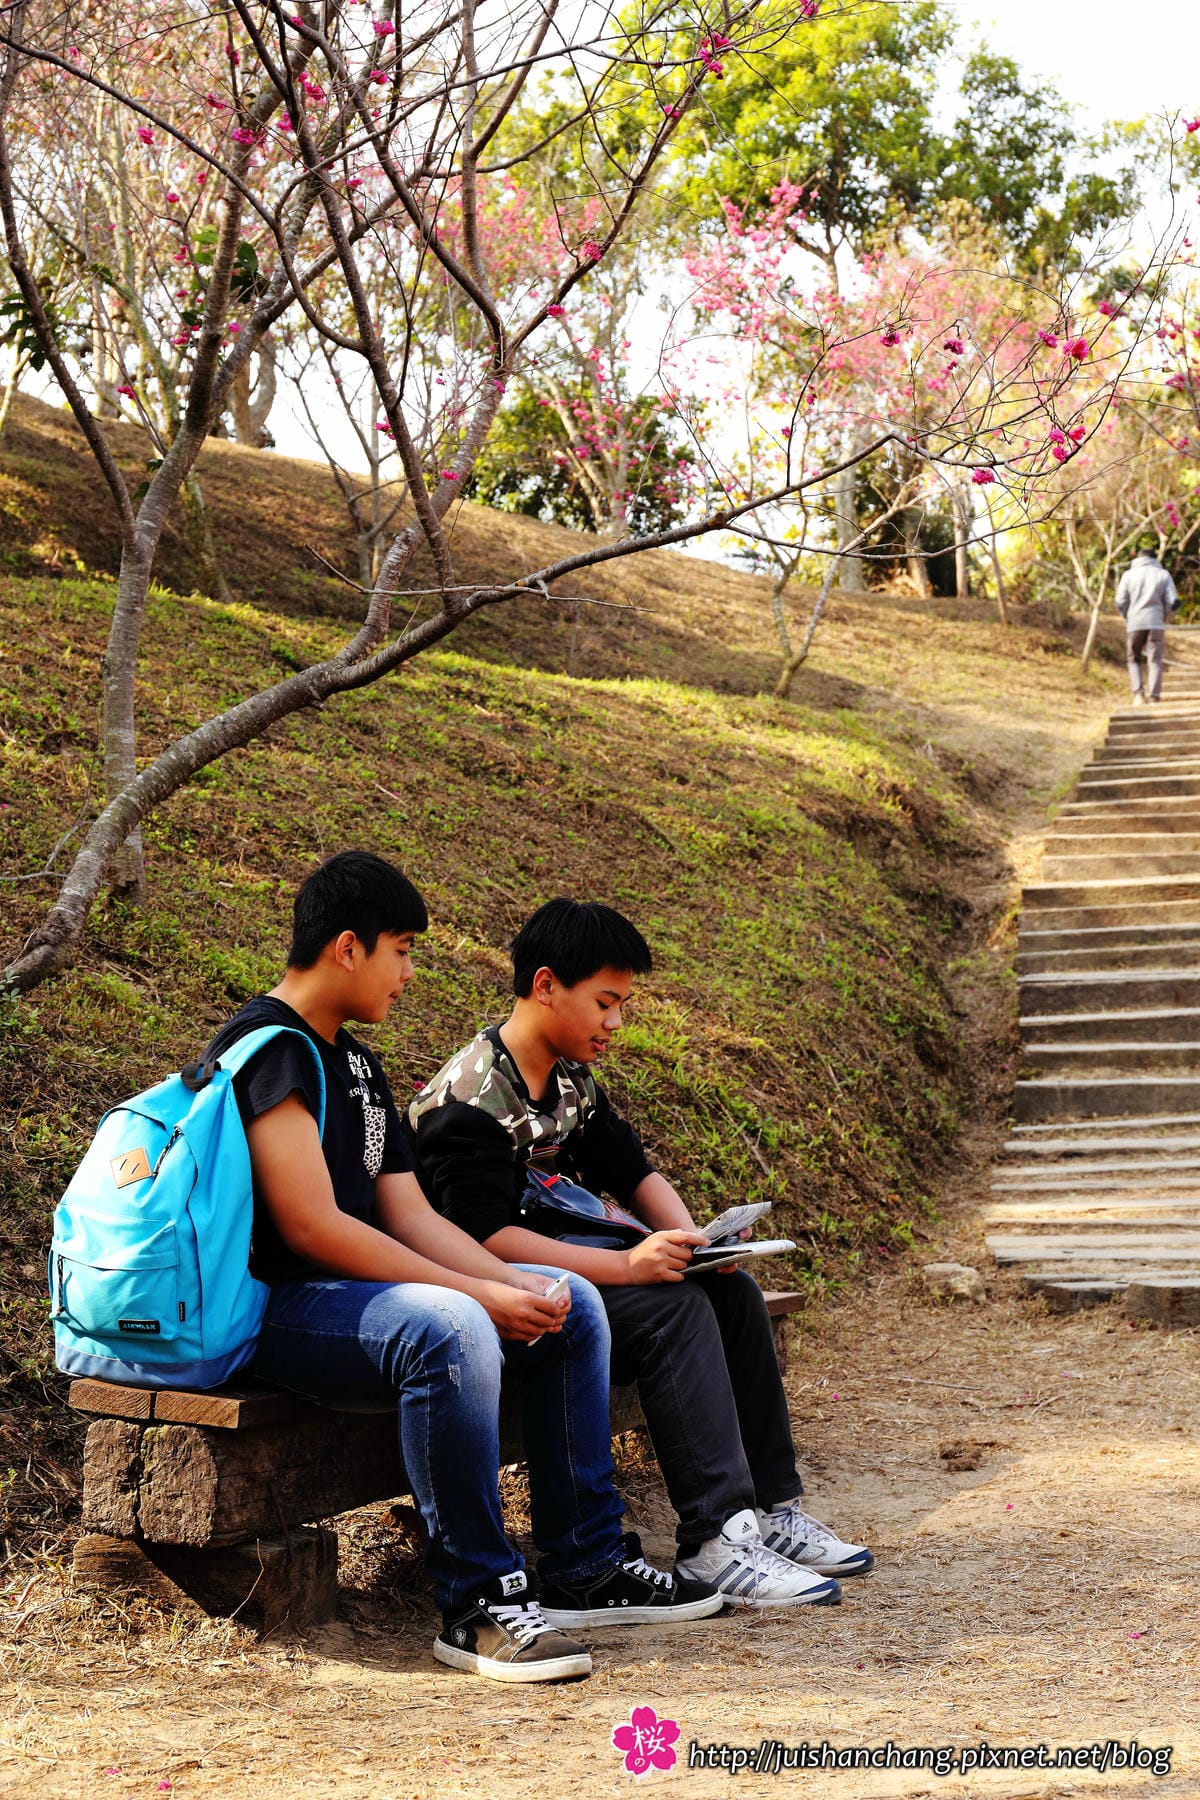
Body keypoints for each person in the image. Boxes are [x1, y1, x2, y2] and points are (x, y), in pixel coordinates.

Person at [205, 853, 721, 1685]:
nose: (410, 972)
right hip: (280, 1307)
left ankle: (585, 1567)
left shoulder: (360, 1069)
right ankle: (477, 1602)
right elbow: (312, 1228)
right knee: (448, 1326)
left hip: (352, 1296)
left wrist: (506, 1283)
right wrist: (474, 1292)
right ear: (348, 947)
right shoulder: (273, 1053)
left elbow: (411, 1216)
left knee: (570, 1301)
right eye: (401, 949)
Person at [408, 898, 875, 1610]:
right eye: (604, 1002)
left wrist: (698, 1245)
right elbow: (484, 1238)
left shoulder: (567, 1081)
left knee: (731, 1296)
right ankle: (715, 1544)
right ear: (544, 986)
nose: (615, 1023)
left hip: (566, 1272)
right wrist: (630, 1266)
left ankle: (772, 1513)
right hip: (492, 1292)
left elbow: (634, 1171)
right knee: (674, 1313)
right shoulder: (469, 1099)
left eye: (621, 1004)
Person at [1116, 542, 1179, 704]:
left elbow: (1120, 600)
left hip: (1135, 623)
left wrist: (1128, 615)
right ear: (1154, 559)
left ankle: (1138, 694)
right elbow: (1173, 600)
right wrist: (1164, 615)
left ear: (1138, 558)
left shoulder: (1128, 575)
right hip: (1156, 622)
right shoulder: (1163, 575)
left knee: (1133, 658)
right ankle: (1154, 697)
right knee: (1155, 659)